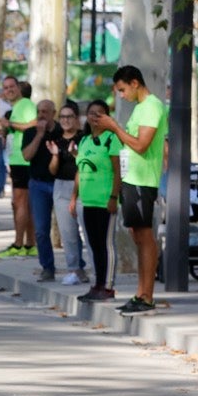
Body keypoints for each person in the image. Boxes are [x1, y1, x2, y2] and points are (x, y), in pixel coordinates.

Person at [90, 65, 167, 316]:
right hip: (132, 178)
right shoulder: (139, 109)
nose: (121, 95)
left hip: (143, 180)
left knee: (145, 236)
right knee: (137, 234)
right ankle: (140, 293)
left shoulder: (152, 106)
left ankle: (147, 295)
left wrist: (114, 127)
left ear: (135, 83)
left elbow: (142, 145)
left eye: (122, 90)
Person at [76, 99, 122, 301]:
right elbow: (81, 169)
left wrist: (114, 197)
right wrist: (74, 197)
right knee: (93, 244)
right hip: (88, 201)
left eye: (99, 114)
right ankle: (97, 283)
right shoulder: (84, 141)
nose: (95, 118)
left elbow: (118, 171)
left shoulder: (111, 139)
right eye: (91, 113)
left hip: (105, 201)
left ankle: (108, 286)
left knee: (106, 244)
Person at [21, 99, 63, 282]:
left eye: (45, 111)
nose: (41, 115)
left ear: (53, 113)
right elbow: (26, 156)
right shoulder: (31, 132)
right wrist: (39, 135)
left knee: (68, 228)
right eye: (39, 111)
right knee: (40, 229)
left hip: (60, 183)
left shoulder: (62, 132)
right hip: (38, 184)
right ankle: (48, 267)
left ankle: (77, 267)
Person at [49, 101, 89, 285]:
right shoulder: (55, 140)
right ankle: (74, 270)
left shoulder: (85, 138)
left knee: (89, 232)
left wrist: (76, 155)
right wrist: (56, 155)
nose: (65, 120)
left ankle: (100, 271)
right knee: (68, 233)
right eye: (62, 117)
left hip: (82, 187)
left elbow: (86, 165)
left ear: (76, 118)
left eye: (69, 116)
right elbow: (52, 171)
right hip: (61, 187)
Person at [0, 81, 37, 257]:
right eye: (5, 88)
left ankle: (19, 243)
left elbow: (34, 124)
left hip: (24, 160)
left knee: (19, 203)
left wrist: (11, 125)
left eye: (12, 86)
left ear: (19, 89)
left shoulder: (26, 104)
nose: (9, 90)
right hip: (15, 160)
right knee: (22, 204)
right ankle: (29, 244)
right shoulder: (14, 108)